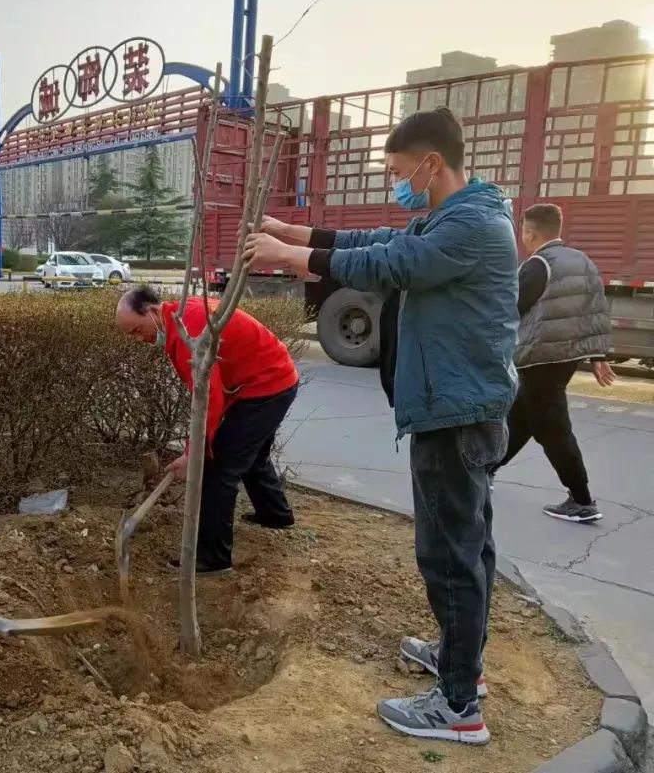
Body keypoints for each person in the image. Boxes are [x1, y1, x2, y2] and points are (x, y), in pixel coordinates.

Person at [245, 107, 518, 745]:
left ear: (430, 163)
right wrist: (298, 231)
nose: (397, 184)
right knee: (466, 547)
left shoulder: (471, 226)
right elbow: (379, 243)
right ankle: (461, 666)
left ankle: (458, 710)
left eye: (399, 171)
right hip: (459, 406)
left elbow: (392, 266)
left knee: (450, 556)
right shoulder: (459, 216)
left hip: (456, 413)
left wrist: (292, 256)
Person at [115, 286, 300, 574]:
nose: (138, 340)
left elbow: (208, 399)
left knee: (219, 470)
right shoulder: (180, 318)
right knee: (250, 455)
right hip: (268, 379)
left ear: (151, 311)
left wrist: (193, 455)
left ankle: (213, 558)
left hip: (267, 386)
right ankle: (276, 515)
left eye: (136, 330)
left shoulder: (190, 332)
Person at [494, 203, 614, 523]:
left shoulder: (537, 265)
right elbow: (596, 311)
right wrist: (598, 355)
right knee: (522, 415)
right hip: (567, 357)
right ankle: (485, 471)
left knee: (552, 427)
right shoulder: (582, 261)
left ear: (530, 233)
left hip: (540, 357)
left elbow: (510, 308)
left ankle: (582, 499)